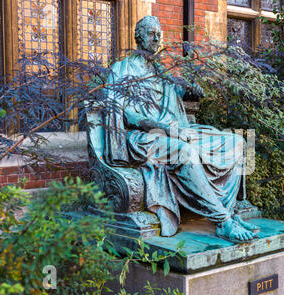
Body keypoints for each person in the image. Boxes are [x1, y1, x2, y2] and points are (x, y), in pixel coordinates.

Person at [104, 16, 258, 242]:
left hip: (175, 130)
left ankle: (230, 214)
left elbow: (175, 99)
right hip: (143, 137)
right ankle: (223, 221)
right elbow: (123, 112)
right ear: (138, 37)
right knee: (184, 152)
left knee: (237, 143)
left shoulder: (161, 71)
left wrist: (190, 92)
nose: (157, 38)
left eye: (159, 33)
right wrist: (162, 127)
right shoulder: (122, 69)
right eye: (151, 33)